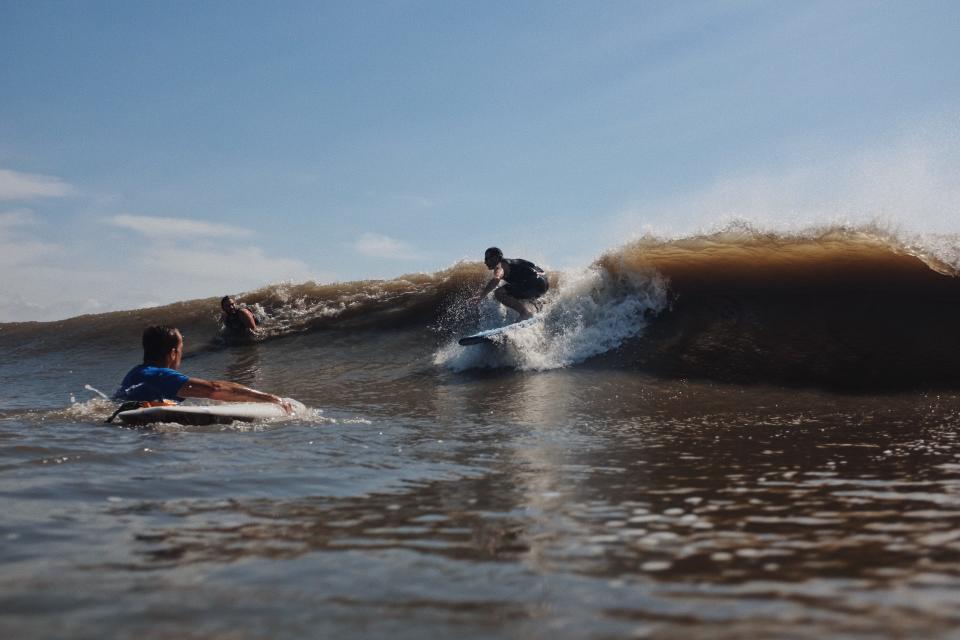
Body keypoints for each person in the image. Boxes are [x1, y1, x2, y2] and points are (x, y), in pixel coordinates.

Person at [114, 325, 291, 411]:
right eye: (181, 349)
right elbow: (214, 389)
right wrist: (271, 398)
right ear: (173, 353)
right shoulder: (161, 376)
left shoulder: (135, 373)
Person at [469, 247, 549, 321]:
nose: (485, 262)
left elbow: (496, 279)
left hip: (534, 283)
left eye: (487, 258)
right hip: (543, 283)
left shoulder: (500, 266)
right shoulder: (511, 262)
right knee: (513, 291)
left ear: (496, 258)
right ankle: (541, 304)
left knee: (499, 293)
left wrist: (481, 296)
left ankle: (525, 313)